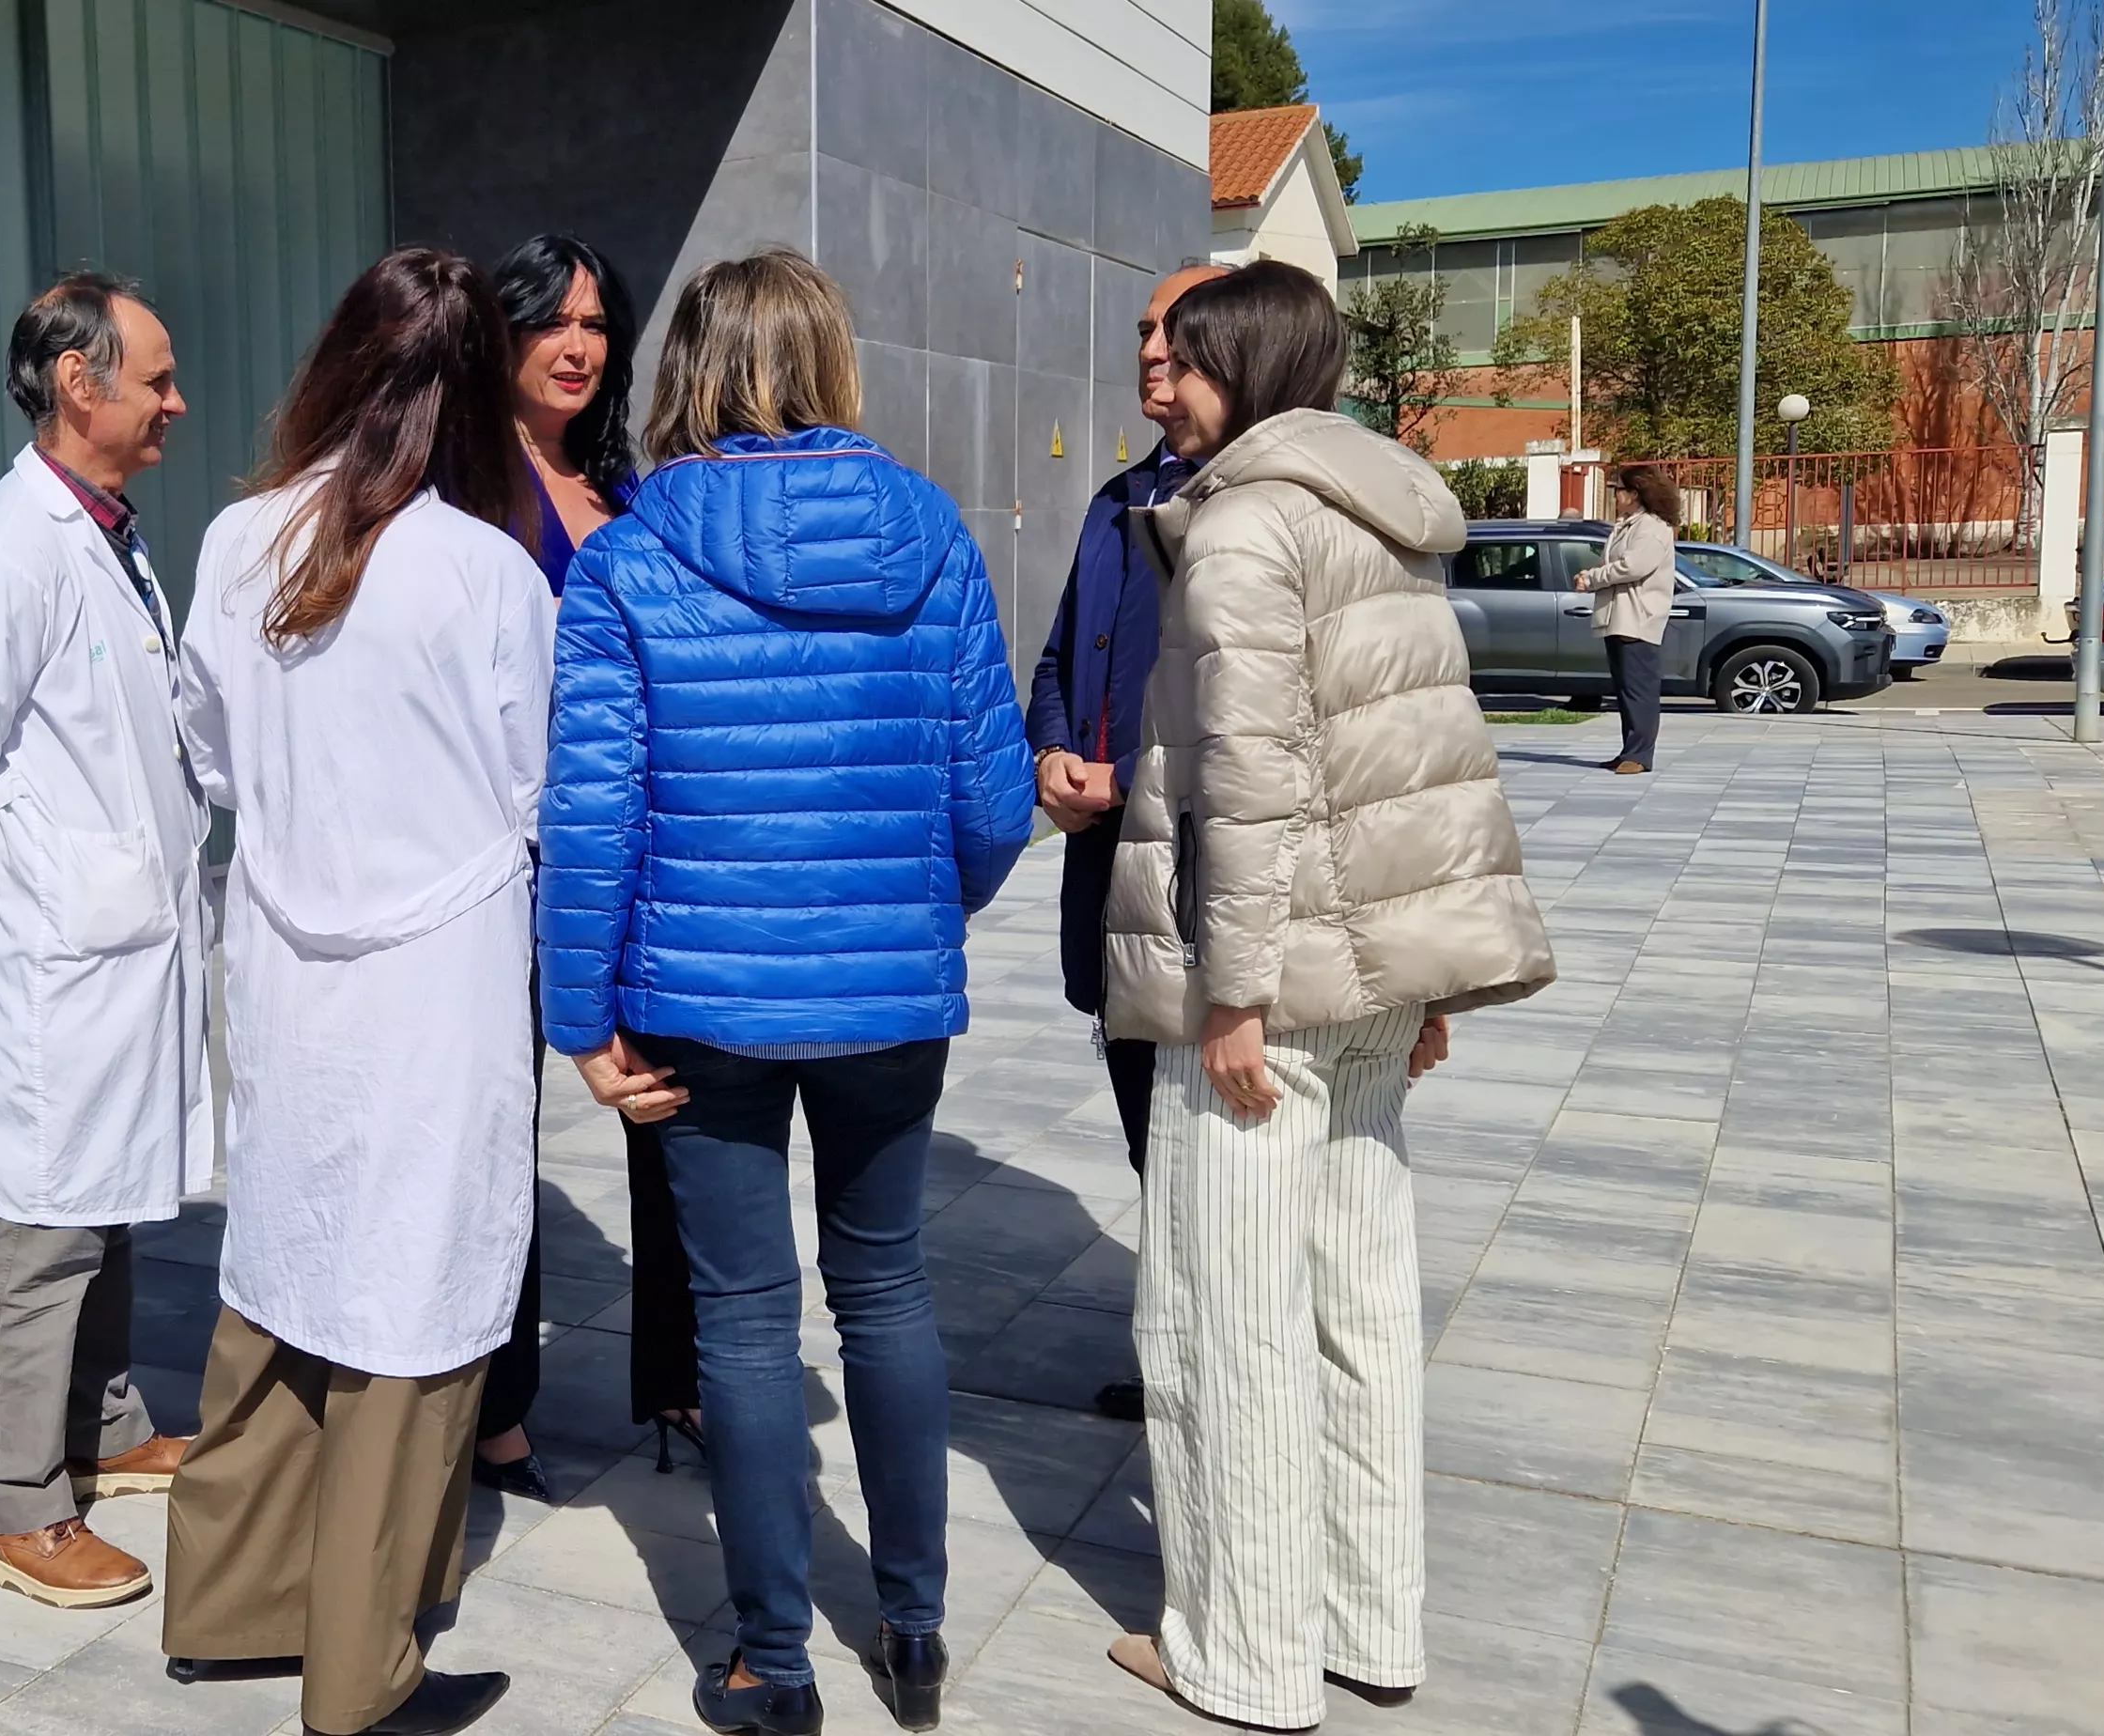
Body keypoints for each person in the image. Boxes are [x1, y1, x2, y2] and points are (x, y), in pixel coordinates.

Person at [542, 248, 1029, 1736]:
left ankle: (774, 1661)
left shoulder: (630, 556)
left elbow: (593, 813)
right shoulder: (933, 533)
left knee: (748, 1324)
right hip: (889, 999)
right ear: (830, 364)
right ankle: (919, 1626)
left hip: (701, 1004)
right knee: (887, 1292)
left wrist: (581, 1016)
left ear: (687, 368)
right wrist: (919, 908)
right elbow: (994, 798)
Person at [1099, 259, 1555, 1731]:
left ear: (1243, 361)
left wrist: (1227, 992)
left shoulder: (1242, 527)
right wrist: (1422, 986)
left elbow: (1254, 782)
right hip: (1364, 986)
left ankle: (1245, 1655)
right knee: (1359, 1309)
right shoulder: (1386, 514)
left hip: (1269, 992)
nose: (1165, 378)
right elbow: (1421, 763)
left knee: (1220, 1320)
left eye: (1186, 355)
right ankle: (1370, 1626)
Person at [158, 246, 547, 1736]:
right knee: (412, 1302)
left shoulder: (235, 537)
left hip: (286, 965)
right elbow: (536, 786)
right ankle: (359, 1667)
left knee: (284, 1268)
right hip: (435, 984)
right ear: (470, 397)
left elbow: (205, 750)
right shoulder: (488, 572)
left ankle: (236, 1605)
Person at [0, 271, 208, 1610]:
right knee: (44, 1224)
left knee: (110, 1196)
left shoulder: (106, 531)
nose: (179, 403)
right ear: (83, 385)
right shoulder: (12, 552)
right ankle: (12, 1507)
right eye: (159, 378)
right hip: (59, 951)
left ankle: (105, 1428)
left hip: (119, 940)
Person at [469, 233, 701, 1507]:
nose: (577, 347)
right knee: (499, 1135)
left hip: (635, 856)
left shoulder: (634, 493)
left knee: (670, 1118)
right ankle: (495, 1415)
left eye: (598, 325)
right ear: (494, 337)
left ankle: (682, 1380)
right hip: (504, 868)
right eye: (550, 321)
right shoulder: (453, 494)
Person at [1029, 260, 1226, 1424]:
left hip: (1207, 879)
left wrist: (1129, 773)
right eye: (1145, 332)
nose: (1151, 352)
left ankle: (1221, 1366)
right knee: (1150, 1126)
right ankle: (1181, 1354)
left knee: (1216, 1152)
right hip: (1106, 868)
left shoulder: (1256, 508)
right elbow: (1061, 658)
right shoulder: (1115, 502)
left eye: (1179, 335)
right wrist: (1054, 757)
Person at [1577, 465, 1681, 774]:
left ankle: (1640, 755)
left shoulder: (1651, 527)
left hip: (1637, 616)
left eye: (1618, 489)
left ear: (1635, 493)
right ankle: (1629, 751)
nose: (1615, 495)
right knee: (1625, 689)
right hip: (1618, 615)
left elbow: (1633, 566)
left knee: (1640, 690)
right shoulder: (1627, 524)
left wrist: (1593, 578)